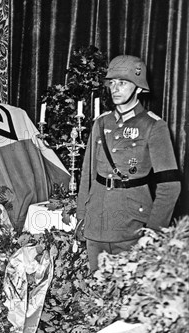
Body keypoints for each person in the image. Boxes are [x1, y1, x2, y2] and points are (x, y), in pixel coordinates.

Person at [76, 55, 180, 271]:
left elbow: (170, 186)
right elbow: (87, 175)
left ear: (139, 88)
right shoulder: (101, 122)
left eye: (122, 83)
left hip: (132, 228)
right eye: (112, 83)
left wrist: (153, 233)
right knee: (95, 297)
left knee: (126, 299)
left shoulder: (153, 126)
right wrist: (81, 217)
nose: (115, 88)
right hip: (97, 226)